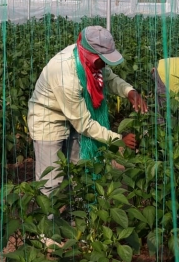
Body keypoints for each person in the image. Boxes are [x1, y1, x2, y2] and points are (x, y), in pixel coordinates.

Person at [27, 25, 148, 197]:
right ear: (90, 55)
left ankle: (77, 215)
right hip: (48, 120)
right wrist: (119, 139)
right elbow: (84, 124)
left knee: (80, 167)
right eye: (102, 59)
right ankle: (47, 222)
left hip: (73, 115)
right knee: (51, 181)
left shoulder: (89, 62)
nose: (105, 64)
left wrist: (129, 91)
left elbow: (109, 77)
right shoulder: (66, 74)